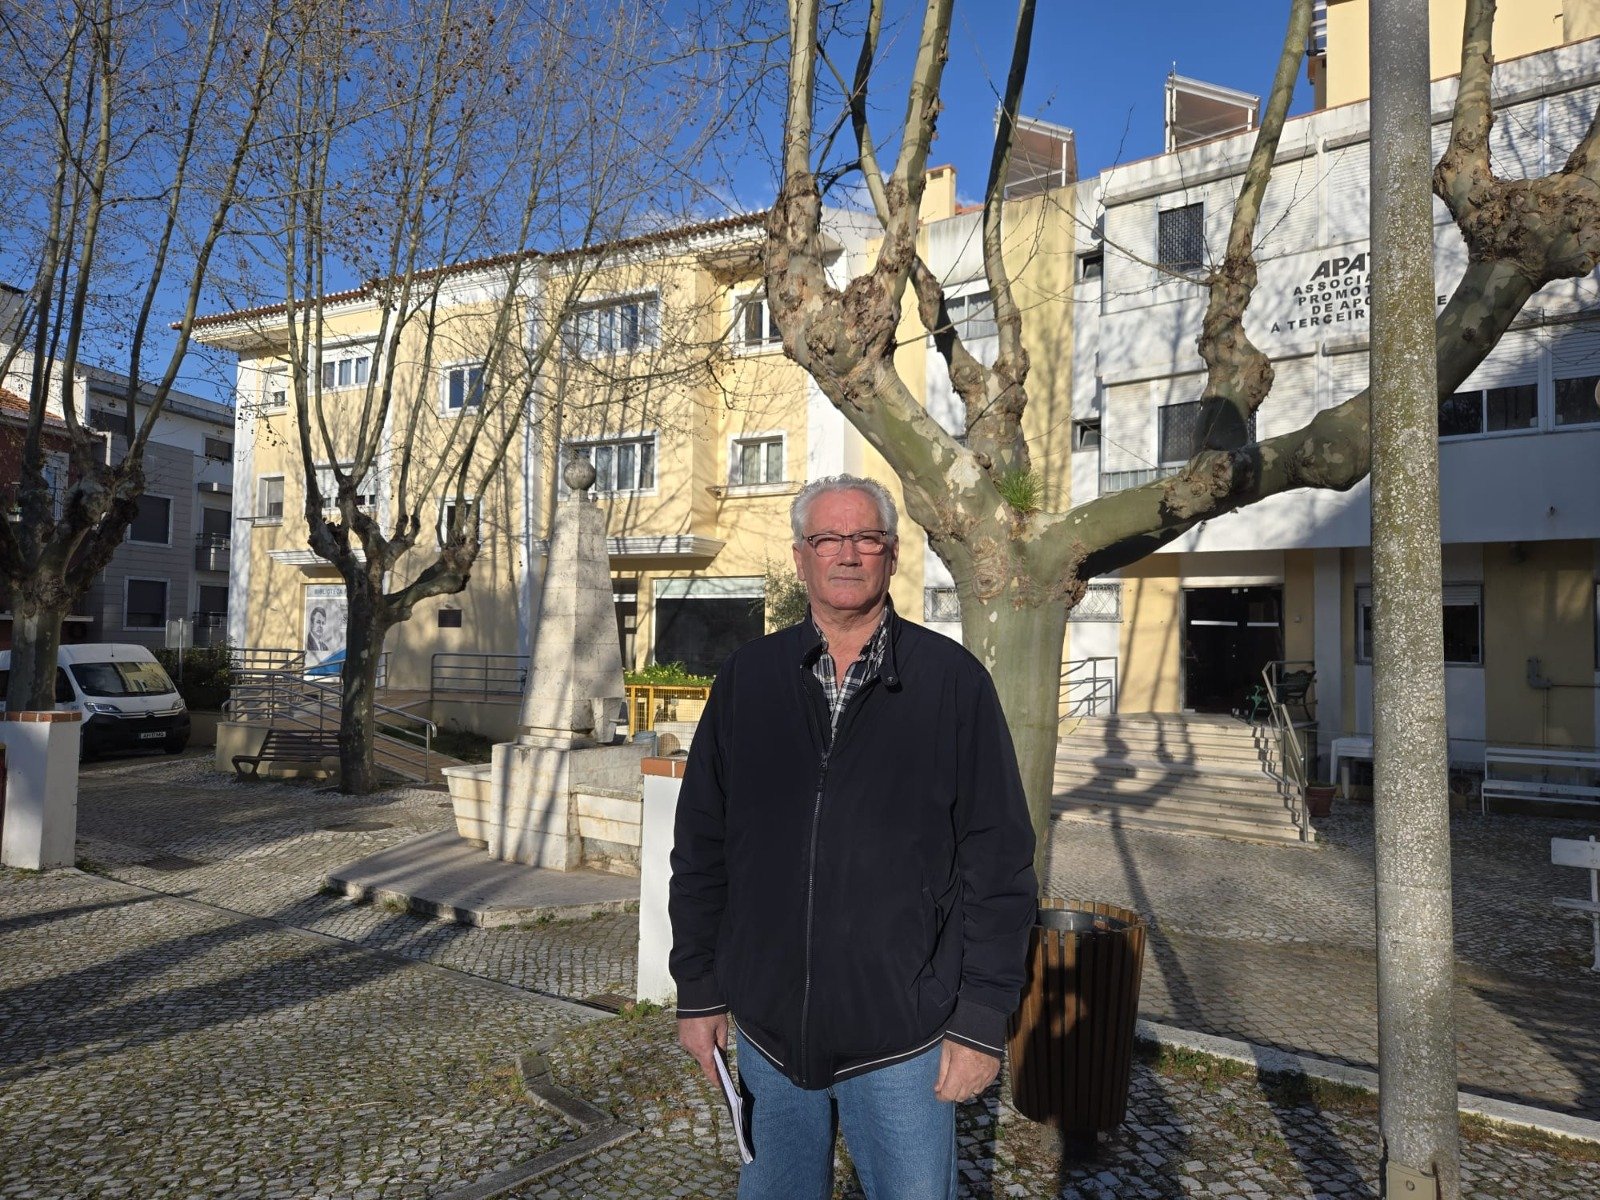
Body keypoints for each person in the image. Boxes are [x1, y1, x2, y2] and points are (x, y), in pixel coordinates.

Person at [670, 474, 1037, 1200]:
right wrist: (699, 991)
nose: (846, 554)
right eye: (827, 539)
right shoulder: (748, 679)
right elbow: (702, 847)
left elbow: (998, 863)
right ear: (800, 557)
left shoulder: (952, 683)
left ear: (892, 555)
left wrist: (980, 1020)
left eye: (866, 538)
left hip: (902, 1040)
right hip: (768, 1035)